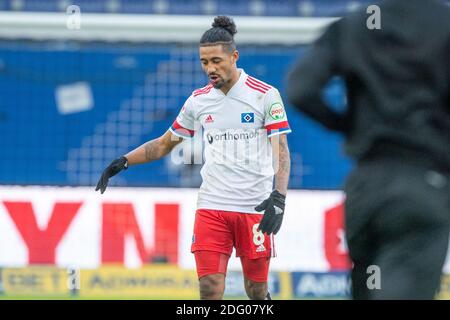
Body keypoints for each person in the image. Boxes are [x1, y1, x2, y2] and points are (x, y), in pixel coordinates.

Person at [96, 16, 291, 300]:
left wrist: (280, 197)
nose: (210, 68)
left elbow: (281, 149)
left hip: (254, 207)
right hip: (212, 207)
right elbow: (164, 144)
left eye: (216, 61)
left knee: (256, 291)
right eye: (204, 62)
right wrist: (123, 161)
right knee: (210, 289)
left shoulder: (265, 95)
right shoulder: (198, 101)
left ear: (234, 56)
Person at [287, 0, 450, 299]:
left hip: (366, 188)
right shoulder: (444, 25)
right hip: (425, 183)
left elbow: (301, 88)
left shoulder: (354, 25)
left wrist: (346, 126)